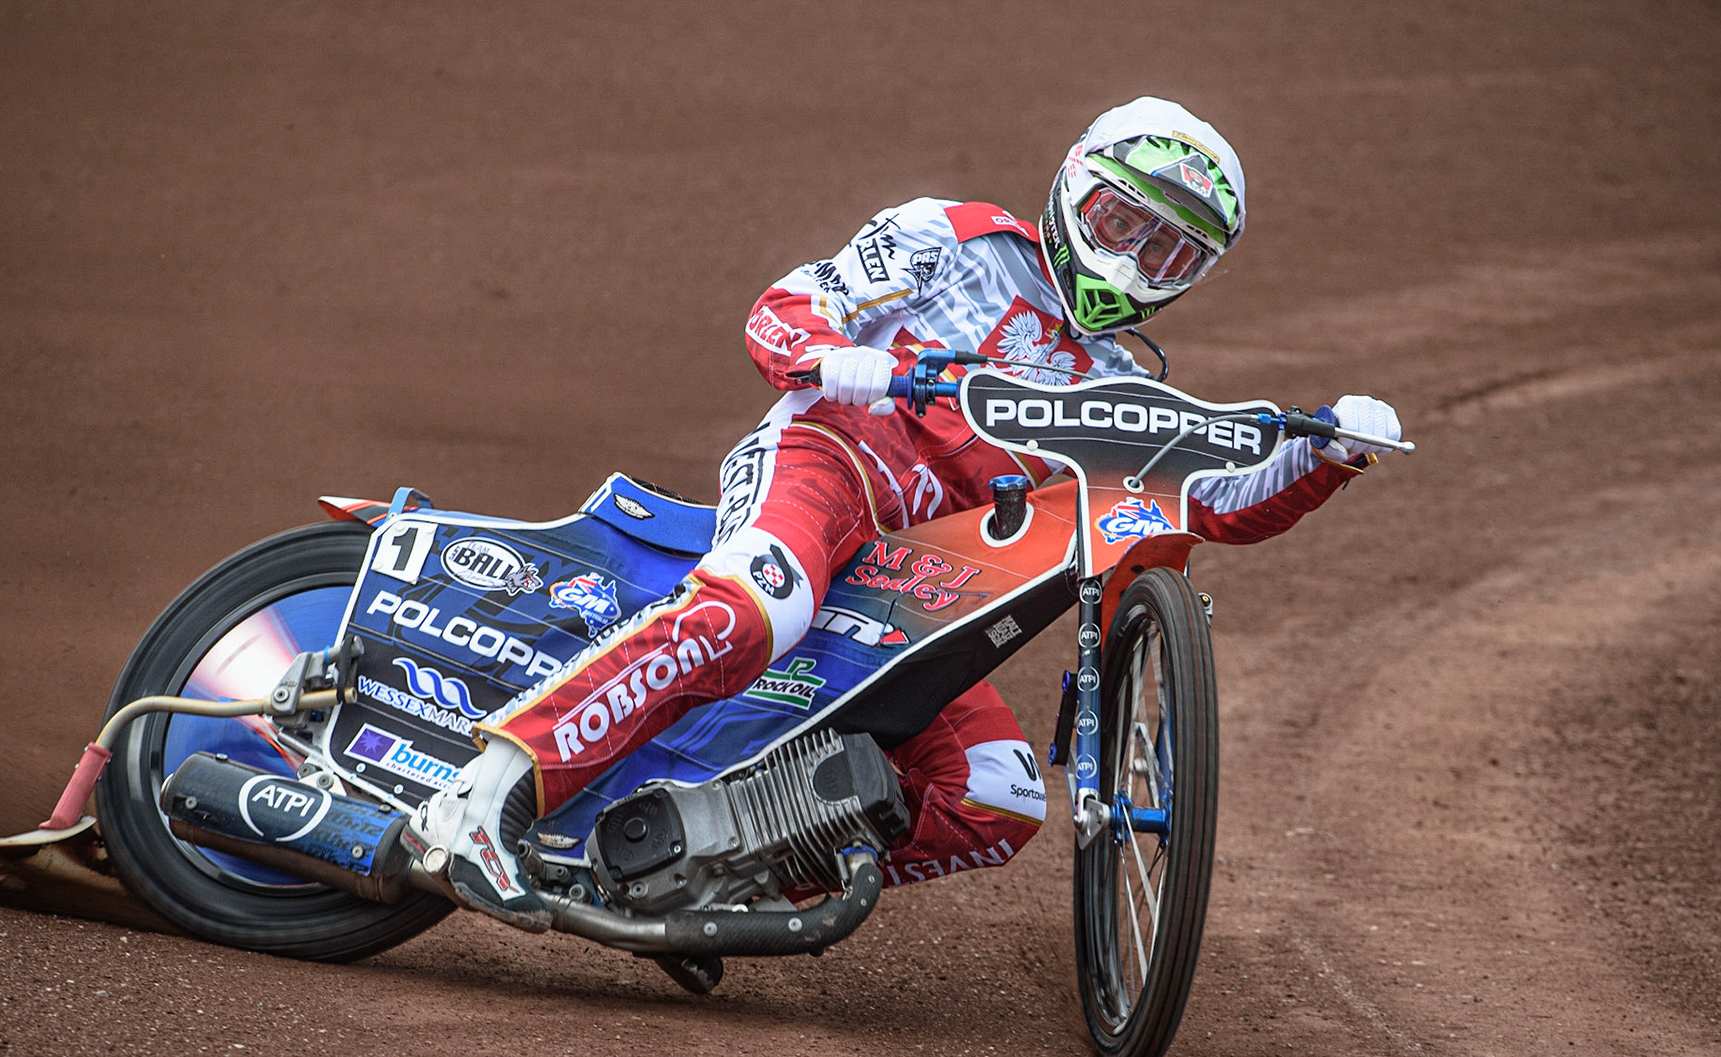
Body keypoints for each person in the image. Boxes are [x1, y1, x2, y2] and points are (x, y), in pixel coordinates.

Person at [409, 96, 1402, 923]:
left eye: (1172, 254)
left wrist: (1332, 453)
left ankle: (710, 877)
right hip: (827, 460)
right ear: (1071, 188)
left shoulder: (1115, 393)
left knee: (998, 797)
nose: (1135, 263)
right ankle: (485, 798)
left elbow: (1215, 502)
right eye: (1120, 223)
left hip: (921, 578)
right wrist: (857, 363)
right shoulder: (952, 239)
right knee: (759, 607)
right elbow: (783, 309)